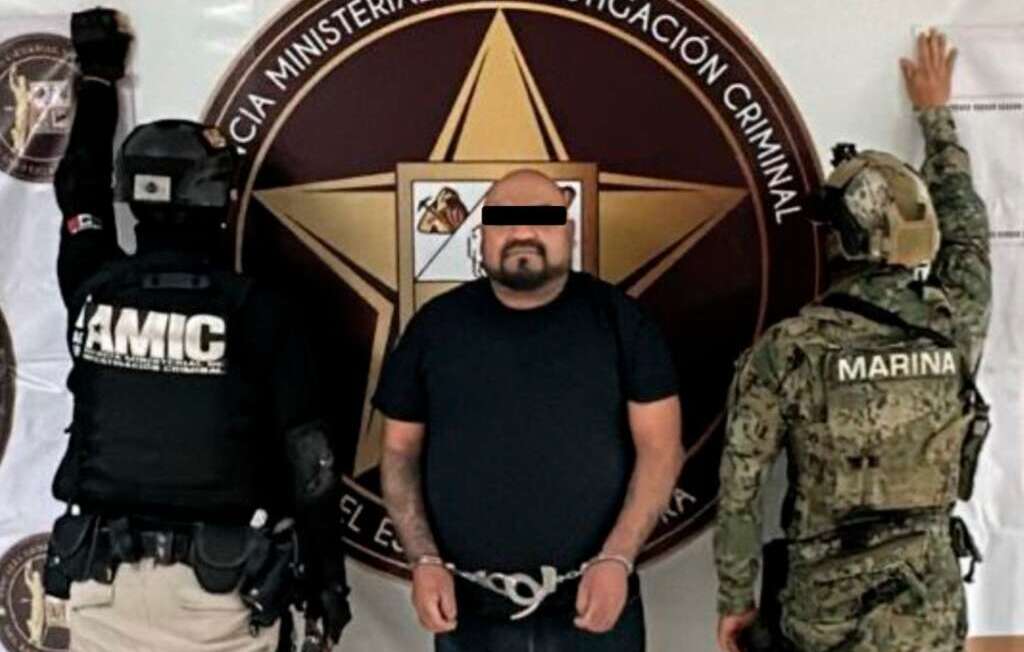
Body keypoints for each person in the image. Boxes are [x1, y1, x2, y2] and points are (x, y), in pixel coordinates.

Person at [42, 9, 350, 651]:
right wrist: (328, 579)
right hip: (217, 597)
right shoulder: (260, 311)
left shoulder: (93, 287)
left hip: (102, 587)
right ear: (217, 200)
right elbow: (312, 463)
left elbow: (78, 191)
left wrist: (95, 74)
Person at [714, 29, 991, 652]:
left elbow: (740, 488)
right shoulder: (954, 327)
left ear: (840, 239)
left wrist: (736, 601)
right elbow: (969, 231)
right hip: (928, 604)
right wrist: (936, 121)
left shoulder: (789, 350)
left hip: (823, 610)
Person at [374, 169, 683, 652]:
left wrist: (618, 559)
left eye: (542, 218)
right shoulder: (434, 328)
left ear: (569, 232)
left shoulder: (623, 323)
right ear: (481, 235)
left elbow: (661, 449)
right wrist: (423, 560)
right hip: (468, 616)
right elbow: (398, 452)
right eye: (504, 220)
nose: (522, 232)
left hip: (595, 607)